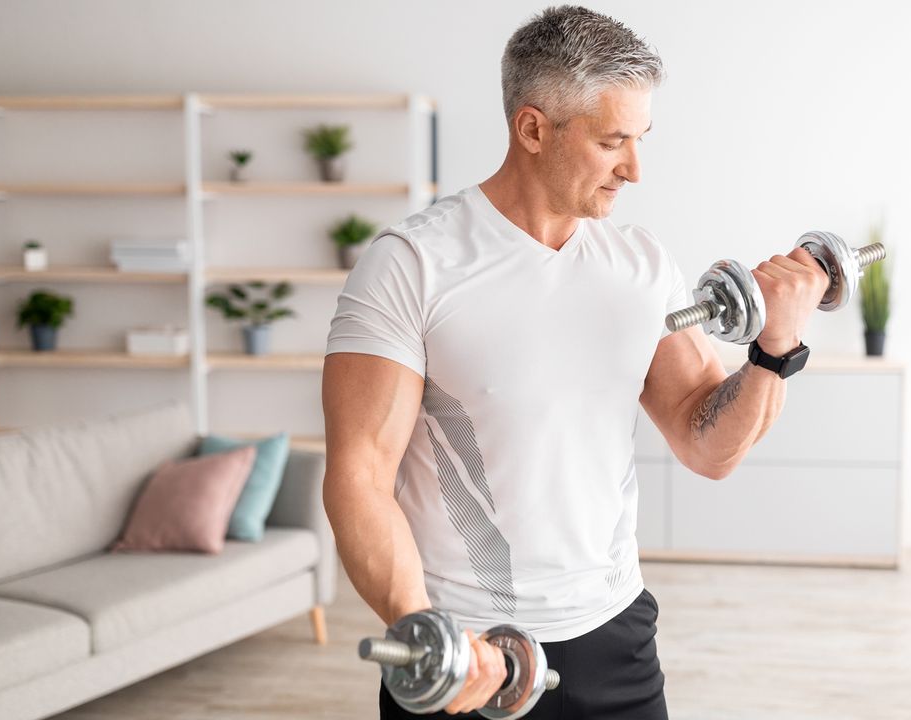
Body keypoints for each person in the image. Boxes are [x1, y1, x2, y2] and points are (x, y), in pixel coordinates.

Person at [323, 5, 828, 718]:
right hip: (470, 648)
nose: (636, 168)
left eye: (641, 139)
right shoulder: (413, 265)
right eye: (613, 141)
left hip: (613, 639)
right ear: (532, 129)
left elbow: (708, 445)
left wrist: (775, 348)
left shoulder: (641, 263)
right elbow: (359, 475)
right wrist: (422, 623)